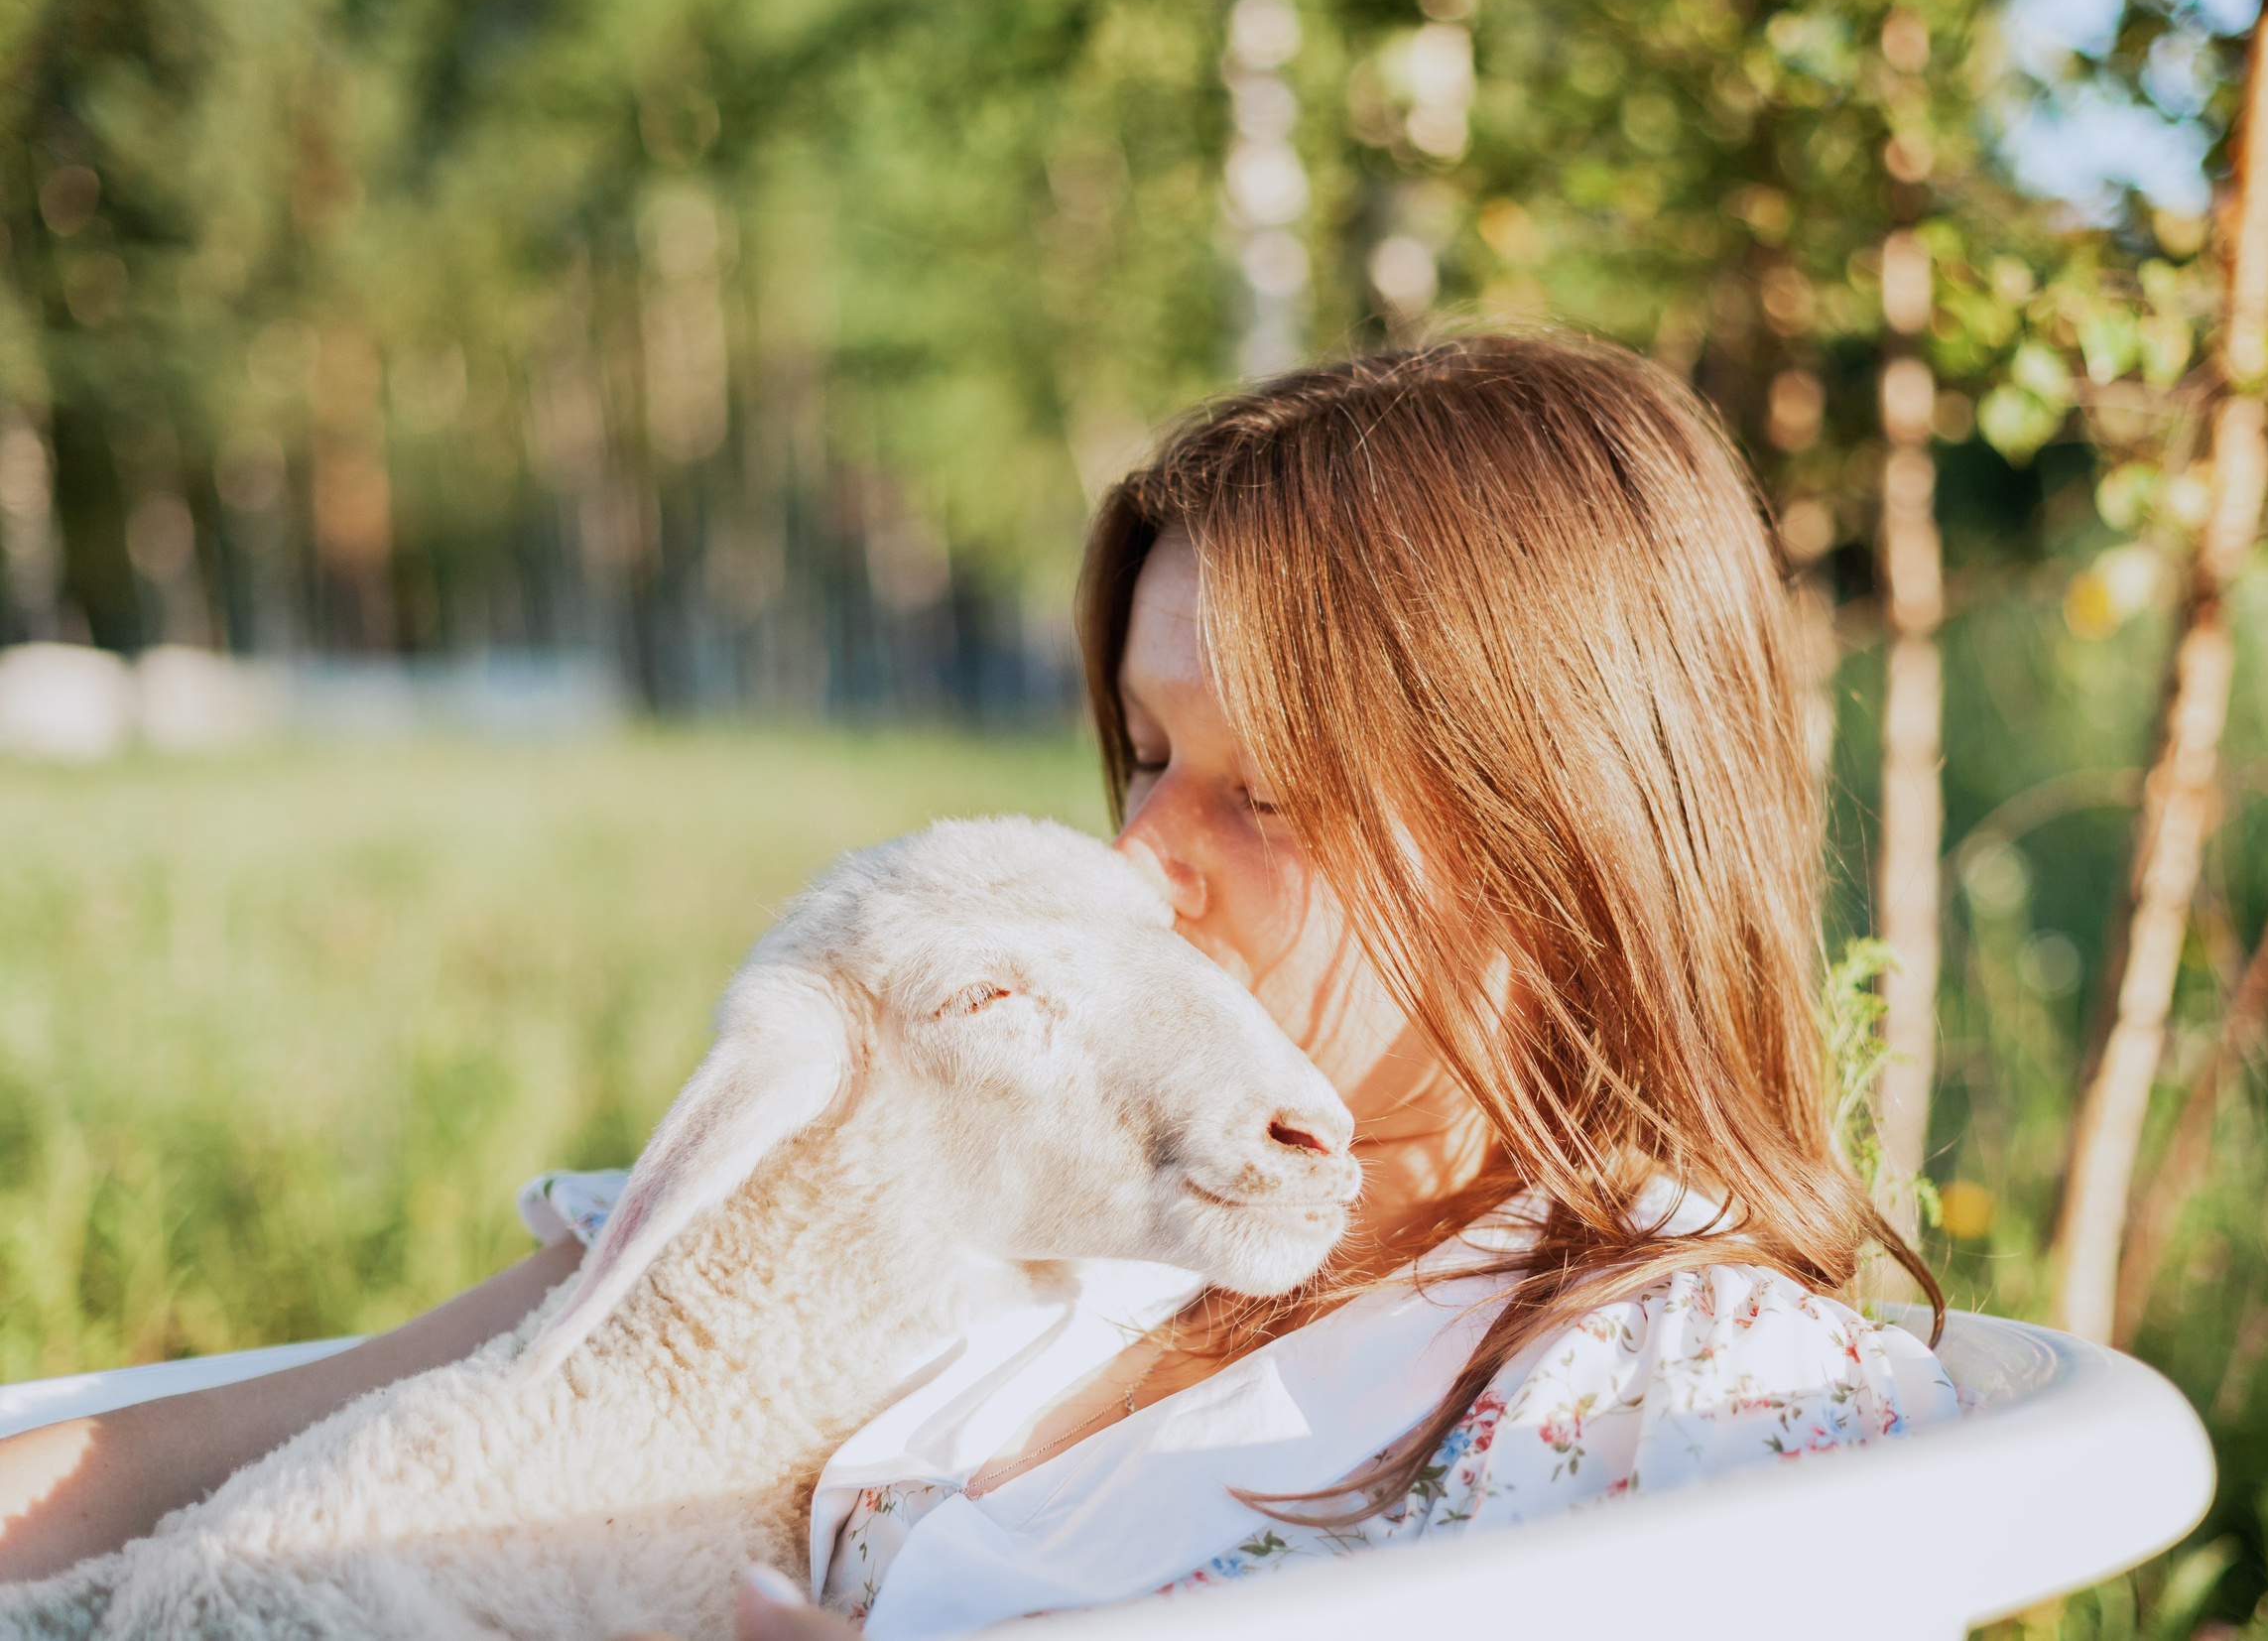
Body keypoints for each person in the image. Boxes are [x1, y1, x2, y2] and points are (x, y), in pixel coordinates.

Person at [0, 334, 1956, 1639]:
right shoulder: (979, 1169)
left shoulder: (1658, 1391)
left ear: (1563, 830)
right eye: (1137, 751)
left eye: (1259, 785)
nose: (1136, 853)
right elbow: (210, 1449)